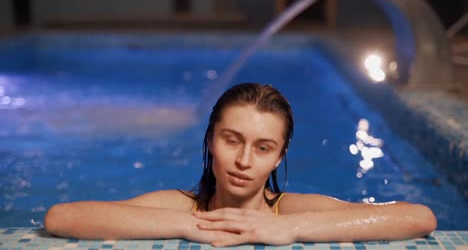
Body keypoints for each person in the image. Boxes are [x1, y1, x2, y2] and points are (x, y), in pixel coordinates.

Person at [44, 83, 437, 247]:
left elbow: (418, 217)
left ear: (280, 155)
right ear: (211, 140)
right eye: (232, 141)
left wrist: (288, 228)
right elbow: (62, 218)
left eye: (263, 148)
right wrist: (190, 224)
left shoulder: (290, 211)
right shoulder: (183, 208)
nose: (244, 161)